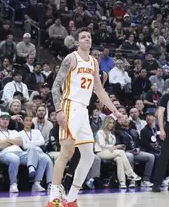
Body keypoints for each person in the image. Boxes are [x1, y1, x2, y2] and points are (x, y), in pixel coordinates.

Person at [47, 28, 124, 207]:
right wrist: (58, 111)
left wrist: (116, 112)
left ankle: (71, 197)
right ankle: (52, 199)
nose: (86, 39)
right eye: (83, 37)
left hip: (83, 110)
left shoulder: (94, 63)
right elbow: (55, 86)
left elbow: (99, 91)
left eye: (89, 36)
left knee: (89, 156)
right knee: (66, 152)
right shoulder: (71, 59)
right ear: (77, 42)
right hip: (69, 105)